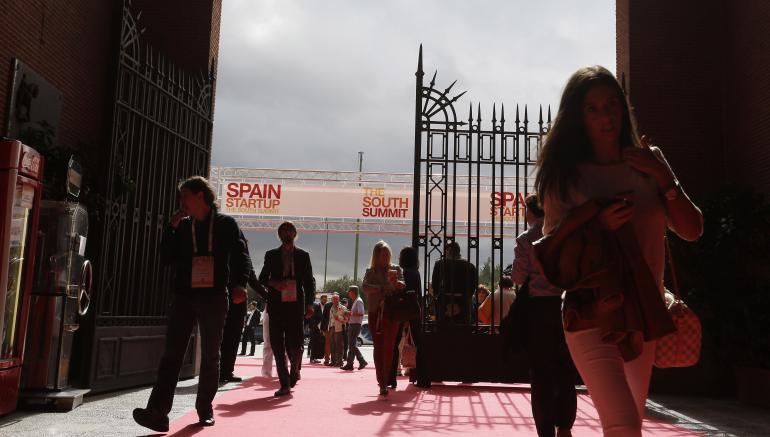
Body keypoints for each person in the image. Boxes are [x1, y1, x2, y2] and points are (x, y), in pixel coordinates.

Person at [536, 66, 703, 436]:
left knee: (630, 426)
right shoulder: (566, 175)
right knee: (623, 424)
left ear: (623, 108)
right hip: (590, 313)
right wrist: (597, 223)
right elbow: (555, 254)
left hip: (642, 313)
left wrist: (664, 178)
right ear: (577, 117)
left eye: (611, 104)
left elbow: (692, 229)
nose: (606, 116)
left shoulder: (648, 161)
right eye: (592, 109)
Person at [133, 176, 250, 431]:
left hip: (215, 296)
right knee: (171, 355)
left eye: (185, 195)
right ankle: (157, 413)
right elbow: (166, 258)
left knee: (210, 355)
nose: (181, 201)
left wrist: (240, 284)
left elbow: (241, 254)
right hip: (184, 296)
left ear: (200, 196)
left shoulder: (225, 224)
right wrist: (171, 228)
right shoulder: (184, 226)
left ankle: (205, 409)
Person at [513, 194, 577, 437]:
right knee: (564, 367)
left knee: (540, 371)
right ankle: (565, 426)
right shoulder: (563, 232)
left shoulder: (525, 239)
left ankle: (545, 429)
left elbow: (519, 277)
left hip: (537, 308)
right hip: (564, 304)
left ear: (530, 212)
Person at [258, 221, 316, 396]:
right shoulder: (271, 255)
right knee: (277, 344)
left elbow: (309, 281)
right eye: (283, 231)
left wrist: (310, 304)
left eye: (290, 231)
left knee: (296, 344)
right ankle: (284, 384)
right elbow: (262, 278)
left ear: (295, 234)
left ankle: (295, 369)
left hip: (296, 305)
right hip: (276, 305)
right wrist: (274, 283)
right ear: (279, 235)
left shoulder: (303, 256)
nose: (287, 234)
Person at [362, 240, 406, 396]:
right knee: (378, 346)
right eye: (383, 255)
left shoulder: (396, 269)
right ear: (376, 256)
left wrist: (399, 284)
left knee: (389, 347)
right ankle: (381, 380)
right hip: (375, 312)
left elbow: (403, 285)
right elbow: (365, 287)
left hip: (392, 313)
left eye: (388, 254)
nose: (386, 257)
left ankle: (385, 379)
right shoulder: (370, 271)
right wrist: (382, 288)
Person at [430, 241, 477, 325]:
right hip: (463, 305)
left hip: (444, 304)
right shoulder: (470, 266)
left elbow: (435, 286)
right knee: (462, 330)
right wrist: (460, 306)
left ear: (448, 250)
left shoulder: (440, 264)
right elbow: (472, 288)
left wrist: (444, 304)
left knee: (443, 330)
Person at [219, 292, 247, 383]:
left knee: (230, 343)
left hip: (233, 308)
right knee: (229, 343)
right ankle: (224, 372)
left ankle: (225, 372)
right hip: (231, 307)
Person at [341, 286, 368, 371]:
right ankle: (350, 364)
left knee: (352, 345)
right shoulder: (357, 301)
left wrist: (350, 313)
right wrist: (350, 313)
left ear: (353, 292)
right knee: (351, 345)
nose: (348, 293)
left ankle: (362, 360)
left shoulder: (358, 301)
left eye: (349, 292)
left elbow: (361, 313)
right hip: (354, 324)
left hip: (355, 325)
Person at [329, 293, 349, 367]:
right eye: (334, 299)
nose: (335, 301)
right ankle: (333, 361)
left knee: (339, 345)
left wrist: (338, 318)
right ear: (332, 300)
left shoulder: (343, 308)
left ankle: (340, 361)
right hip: (332, 327)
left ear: (339, 299)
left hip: (339, 328)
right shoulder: (331, 308)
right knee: (332, 345)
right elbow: (330, 319)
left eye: (336, 299)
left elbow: (346, 320)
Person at [319, 294, 333, 365]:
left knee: (334, 344)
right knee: (328, 343)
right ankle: (327, 359)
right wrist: (322, 328)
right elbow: (323, 317)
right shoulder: (328, 305)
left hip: (336, 327)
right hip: (328, 327)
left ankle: (333, 359)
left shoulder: (340, 306)